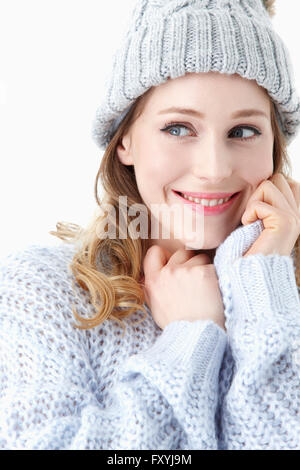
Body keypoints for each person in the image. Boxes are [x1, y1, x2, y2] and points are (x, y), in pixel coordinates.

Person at [1, 0, 300, 450]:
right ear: (125, 140)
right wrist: (191, 338)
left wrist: (264, 285)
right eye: (178, 128)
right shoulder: (42, 291)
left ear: (274, 147)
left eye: (243, 132)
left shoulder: (284, 297)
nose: (215, 169)